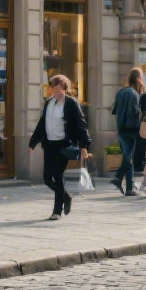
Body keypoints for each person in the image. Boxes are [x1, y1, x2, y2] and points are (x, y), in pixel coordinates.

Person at [29, 75, 92, 220]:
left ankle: (57, 211)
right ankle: (66, 197)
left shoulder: (71, 103)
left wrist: (83, 145)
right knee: (46, 178)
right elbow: (42, 123)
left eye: (58, 90)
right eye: (53, 90)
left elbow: (81, 124)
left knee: (57, 176)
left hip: (64, 145)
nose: (56, 93)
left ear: (64, 89)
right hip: (49, 144)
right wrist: (33, 142)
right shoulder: (49, 103)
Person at [110, 68, 144, 196]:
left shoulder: (120, 92)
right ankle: (119, 178)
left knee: (127, 157)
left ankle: (129, 187)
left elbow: (114, 110)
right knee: (129, 158)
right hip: (132, 129)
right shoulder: (134, 94)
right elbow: (135, 112)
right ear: (138, 79)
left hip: (121, 128)